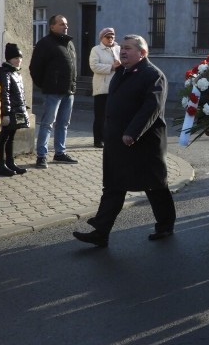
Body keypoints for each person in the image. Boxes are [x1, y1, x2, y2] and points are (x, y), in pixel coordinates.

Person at [73, 35, 177, 247]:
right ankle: (101, 231)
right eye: (122, 48)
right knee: (113, 185)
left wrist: (133, 132)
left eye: (128, 48)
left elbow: (151, 108)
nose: (123, 51)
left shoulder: (153, 75)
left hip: (143, 142)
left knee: (155, 185)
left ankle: (165, 225)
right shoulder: (121, 71)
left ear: (142, 52)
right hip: (117, 141)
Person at [29, 14, 78, 168]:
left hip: (69, 90)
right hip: (53, 91)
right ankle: (42, 155)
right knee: (47, 123)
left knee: (63, 123)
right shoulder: (45, 44)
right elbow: (35, 68)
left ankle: (59, 153)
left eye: (66, 24)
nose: (66, 27)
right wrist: (45, 84)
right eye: (62, 24)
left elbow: (73, 66)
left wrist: (73, 83)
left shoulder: (69, 43)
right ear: (52, 27)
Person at [0, 43, 29, 177]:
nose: (18, 60)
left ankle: (10, 162)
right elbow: (5, 94)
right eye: (15, 58)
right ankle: (1, 165)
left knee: (11, 138)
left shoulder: (16, 73)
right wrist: (6, 113)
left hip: (17, 111)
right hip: (10, 112)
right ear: (8, 59)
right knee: (4, 137)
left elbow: (20, 93)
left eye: (20, 57)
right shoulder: (6, 73)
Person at [89, 27, 121, 148]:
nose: (110, 39)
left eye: (112, 36)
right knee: (100, 115)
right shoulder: (96, 50)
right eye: (107, 37)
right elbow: (94, 66)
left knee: (114, 115)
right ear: (101, 38)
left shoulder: (118, 49)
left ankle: (111, 137)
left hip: (117, 87)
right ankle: (98, 139)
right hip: (102, 87)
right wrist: (111, 67)